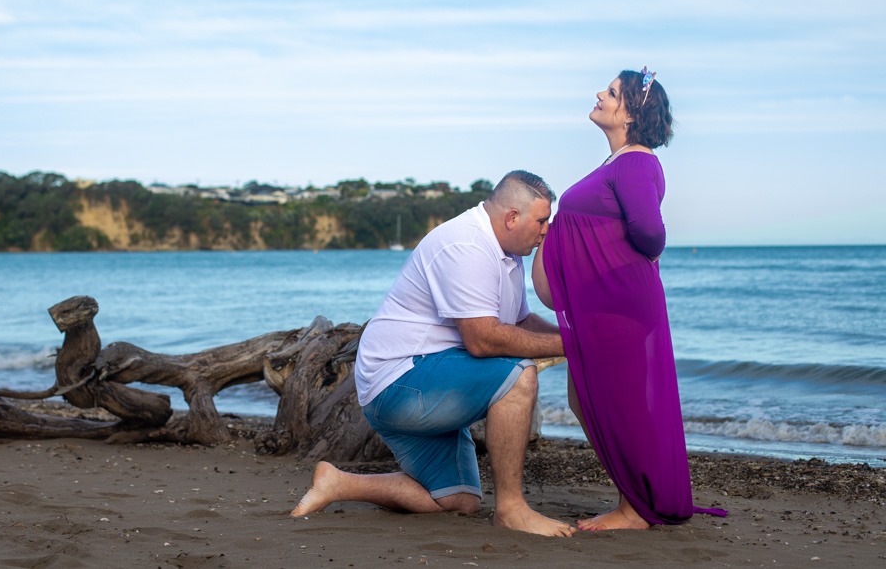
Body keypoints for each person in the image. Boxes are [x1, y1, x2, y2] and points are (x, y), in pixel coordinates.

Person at [291, 170, 575, 537]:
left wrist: (576, 337)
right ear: (512, 217)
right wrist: (576, 345)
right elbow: (483, 341)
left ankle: (339, 483)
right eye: (542, 220)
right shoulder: (466, 245)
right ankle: (512, 509)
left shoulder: (507, 252)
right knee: (520, 374)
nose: (546, 230)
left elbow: (521, 321)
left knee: (457, 500)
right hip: (400, 382)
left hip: (422, 379)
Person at [533, 68, 726, 530]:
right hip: (605, 308)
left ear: (632, 115)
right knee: (589, 400)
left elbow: (650, 234)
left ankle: (634, 508)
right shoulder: (617, 162)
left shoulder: (636, 162)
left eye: (613, 92)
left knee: (619, 401)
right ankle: (638, 493)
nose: (600, 94)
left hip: (619, 306)